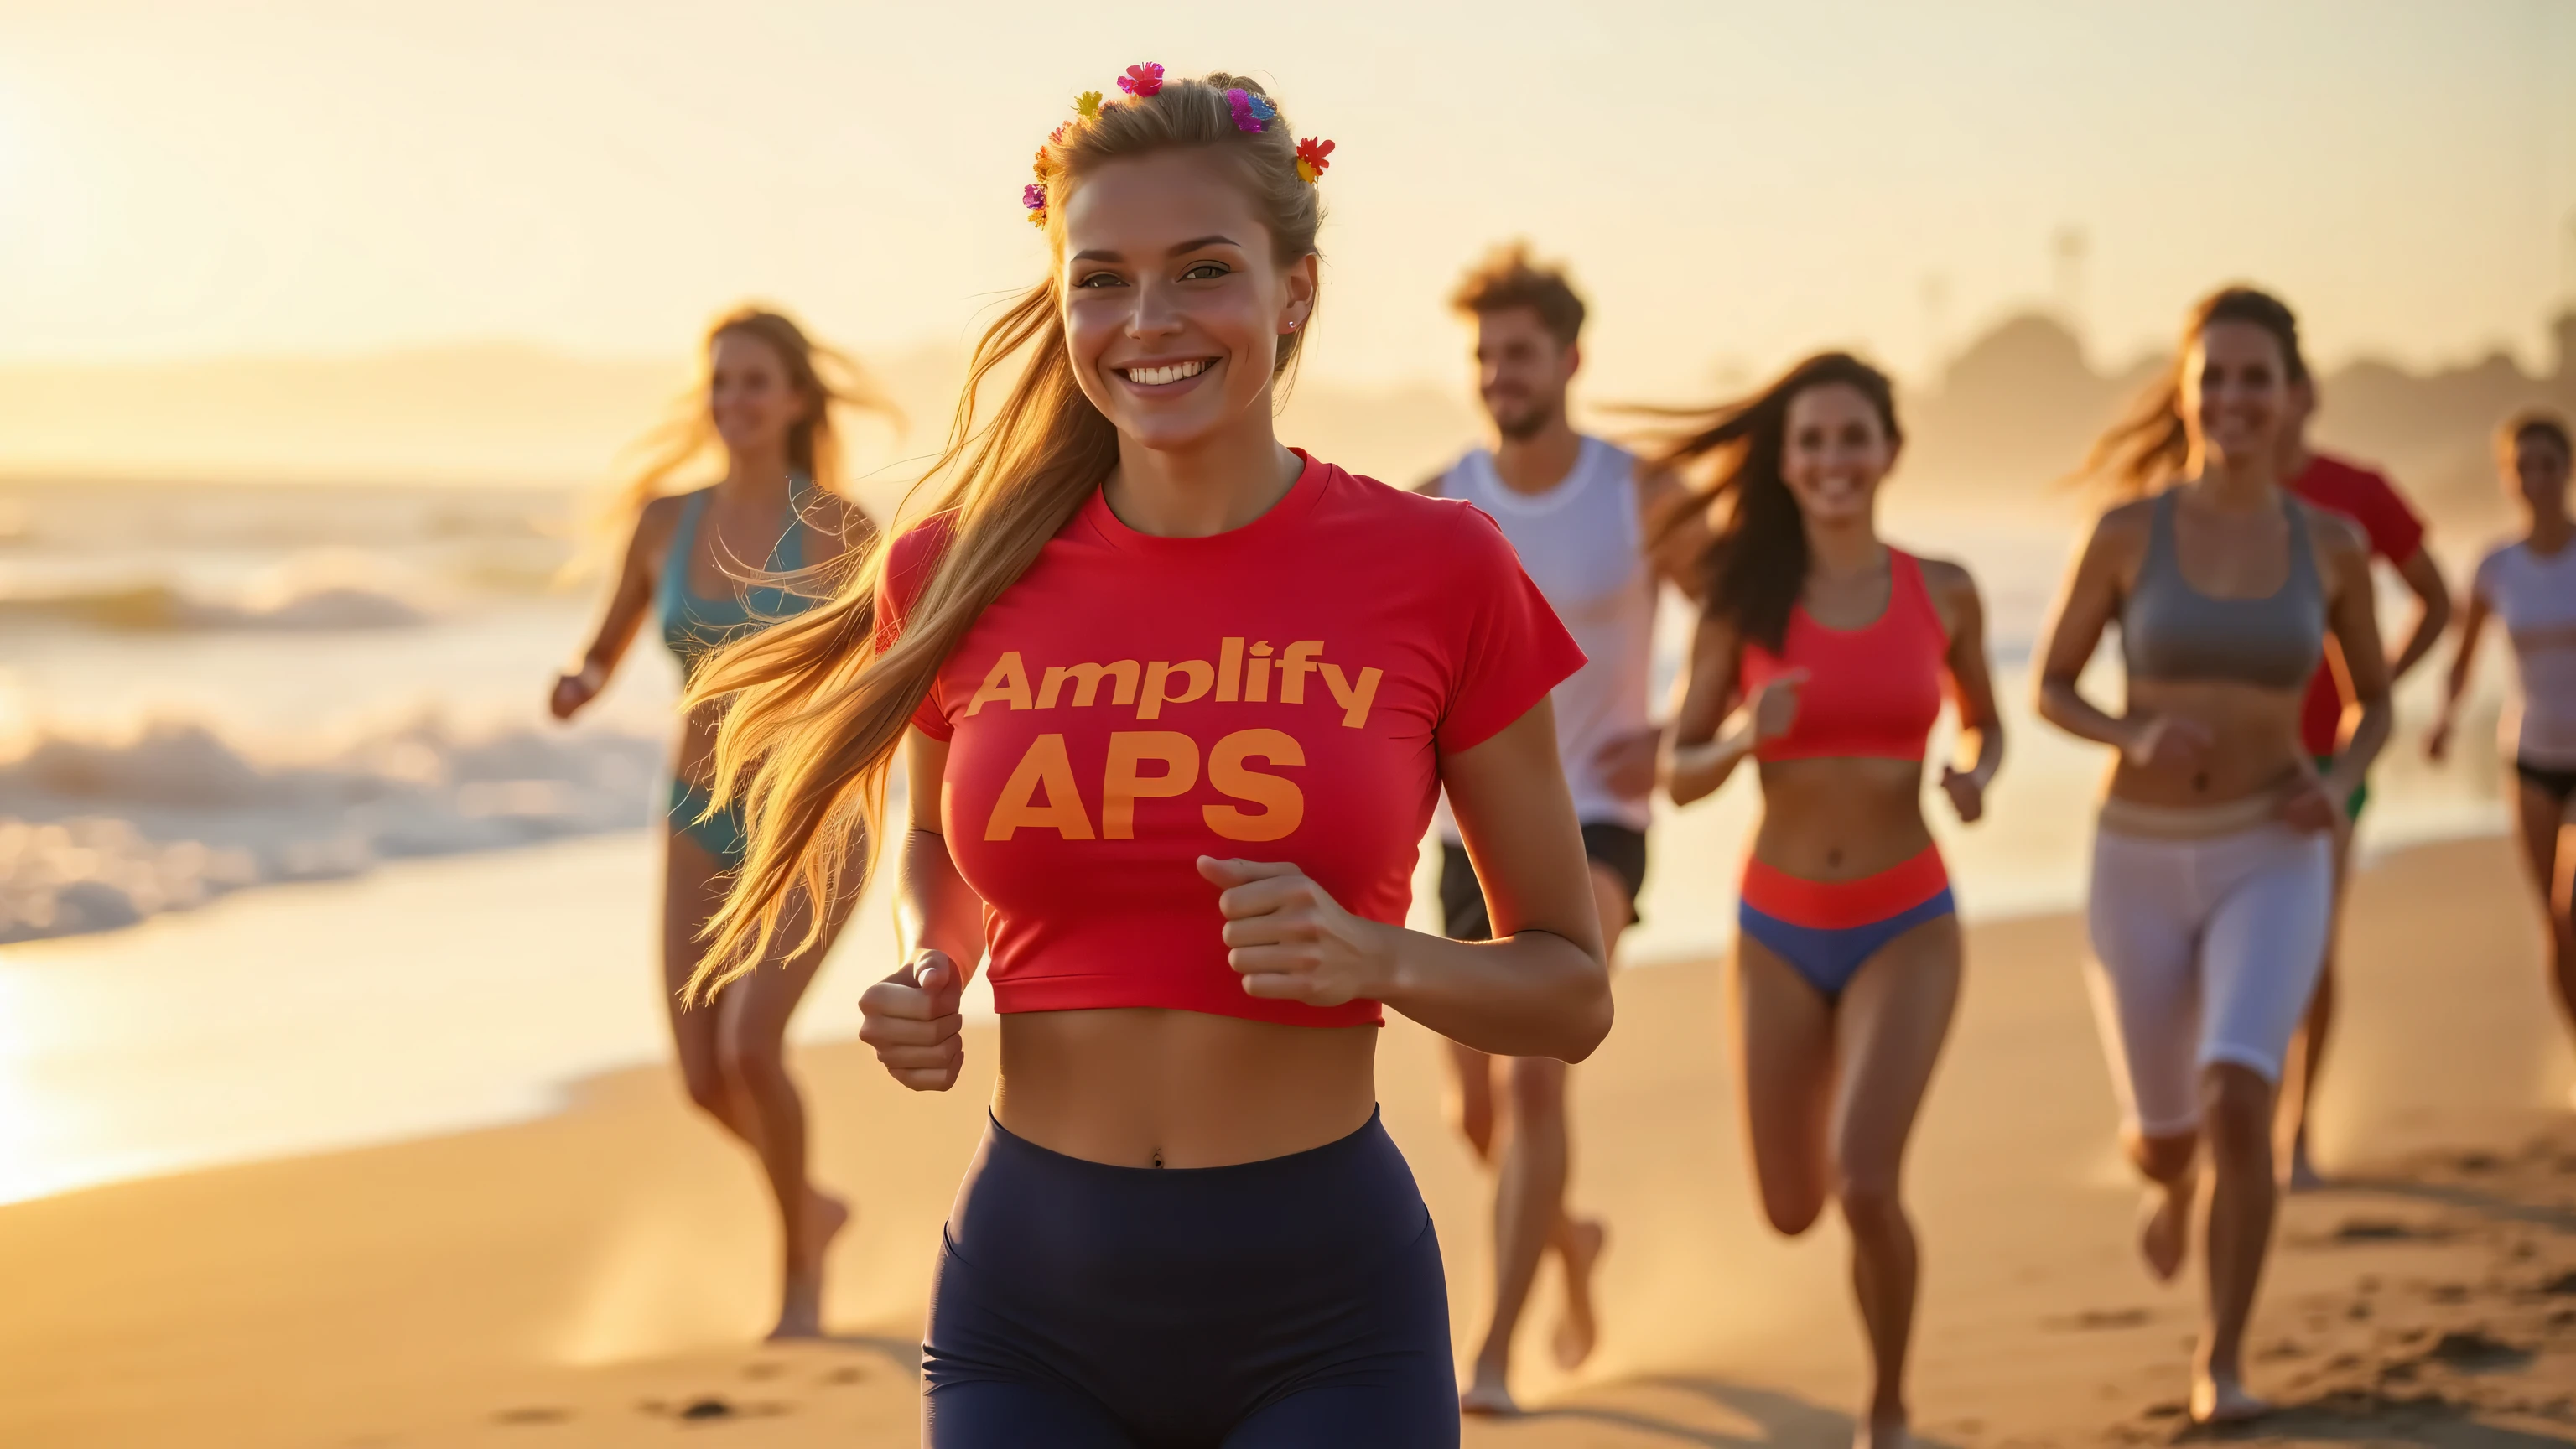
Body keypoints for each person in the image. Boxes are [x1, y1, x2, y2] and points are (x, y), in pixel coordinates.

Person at [686, 68, 1612, 1447]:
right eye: (1102, 279)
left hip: (1330, 1313)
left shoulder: (1441, 569)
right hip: (1027, 1306)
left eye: (1201, 271)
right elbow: (936, 842)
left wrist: (1383, 958)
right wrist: (936, 959)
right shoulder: (955, 567)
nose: (1147, 321)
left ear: (1293, 290)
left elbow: (1570, 988)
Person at [2036, 287, 2391, 1425]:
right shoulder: (2128, 533)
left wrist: (2335, 787)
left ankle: (2221, 1360)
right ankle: (2170, 1182)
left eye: (2256, 378)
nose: (2235, 398)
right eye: (2215, 379)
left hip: (2270, 854)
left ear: (2291, 396)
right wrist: (2130, 730)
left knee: (2245, 1095)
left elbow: (2375, 706)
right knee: (2163, 1137)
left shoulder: (2332, 546)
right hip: (2137, 857)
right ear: (2188, 396)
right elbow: (2050, 685)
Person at [1658, 352, 2003, 1449]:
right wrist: (1742, 736)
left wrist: (1977, 773)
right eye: (1812, 442)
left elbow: (1985, 720)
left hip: (1908, 919)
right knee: (1792, 1206)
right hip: (1776, 930)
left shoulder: (1941, 589)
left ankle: (1890, 1406)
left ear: (1890, 452)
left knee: (1864, 1180)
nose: (1833, 461)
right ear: (1787, 462)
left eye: (1853, 438)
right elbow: (1678, 769)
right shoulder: (1743, 604)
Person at [547, 305, 886, 1339]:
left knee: (750, 1047)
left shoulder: (840, 532)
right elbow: (605, 644)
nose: (732, 400)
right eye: (719, 382)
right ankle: (813, 1207)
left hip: (809, 825)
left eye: (753, 382)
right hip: (694, 815)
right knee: (701, 1079)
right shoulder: (664, 521)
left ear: (793, 400)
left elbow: (894, 667)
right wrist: (580, 682)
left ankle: (798, 1285)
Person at [1421, 243, 1703, 1413]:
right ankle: (1569, 1241)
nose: (1499, 375)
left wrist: (1682, 727)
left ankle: (1492, 1354)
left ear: (1571, 359)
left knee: (1537, 1088)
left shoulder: (1640, 493)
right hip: (1459, 838)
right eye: (1485, 357)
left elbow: (1744, 631)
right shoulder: (1441, 501)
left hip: (1596, 822)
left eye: (1519, 354)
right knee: (1475, 1110)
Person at [2272, 383, 2452, 1190]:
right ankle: (2237, 1118)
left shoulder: (2359, 492)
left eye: (2270, 382)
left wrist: (2371, 694)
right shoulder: (2193, 497)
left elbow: (2436, 599)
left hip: (2331, 758)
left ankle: (2298, 1133)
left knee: (2308, 946)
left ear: (2302, 394)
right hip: (2231, 765)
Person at [2428, 411, 2576, 1080]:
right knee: (2555, 922)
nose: (2536, 480)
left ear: (2567, 472)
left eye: (2548, 465)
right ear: (2508, 478)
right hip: (2530, 755)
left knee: (2573, 906)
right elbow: (2463, 655)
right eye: (2523, 468)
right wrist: (2443, 720)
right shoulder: (2496, 564)